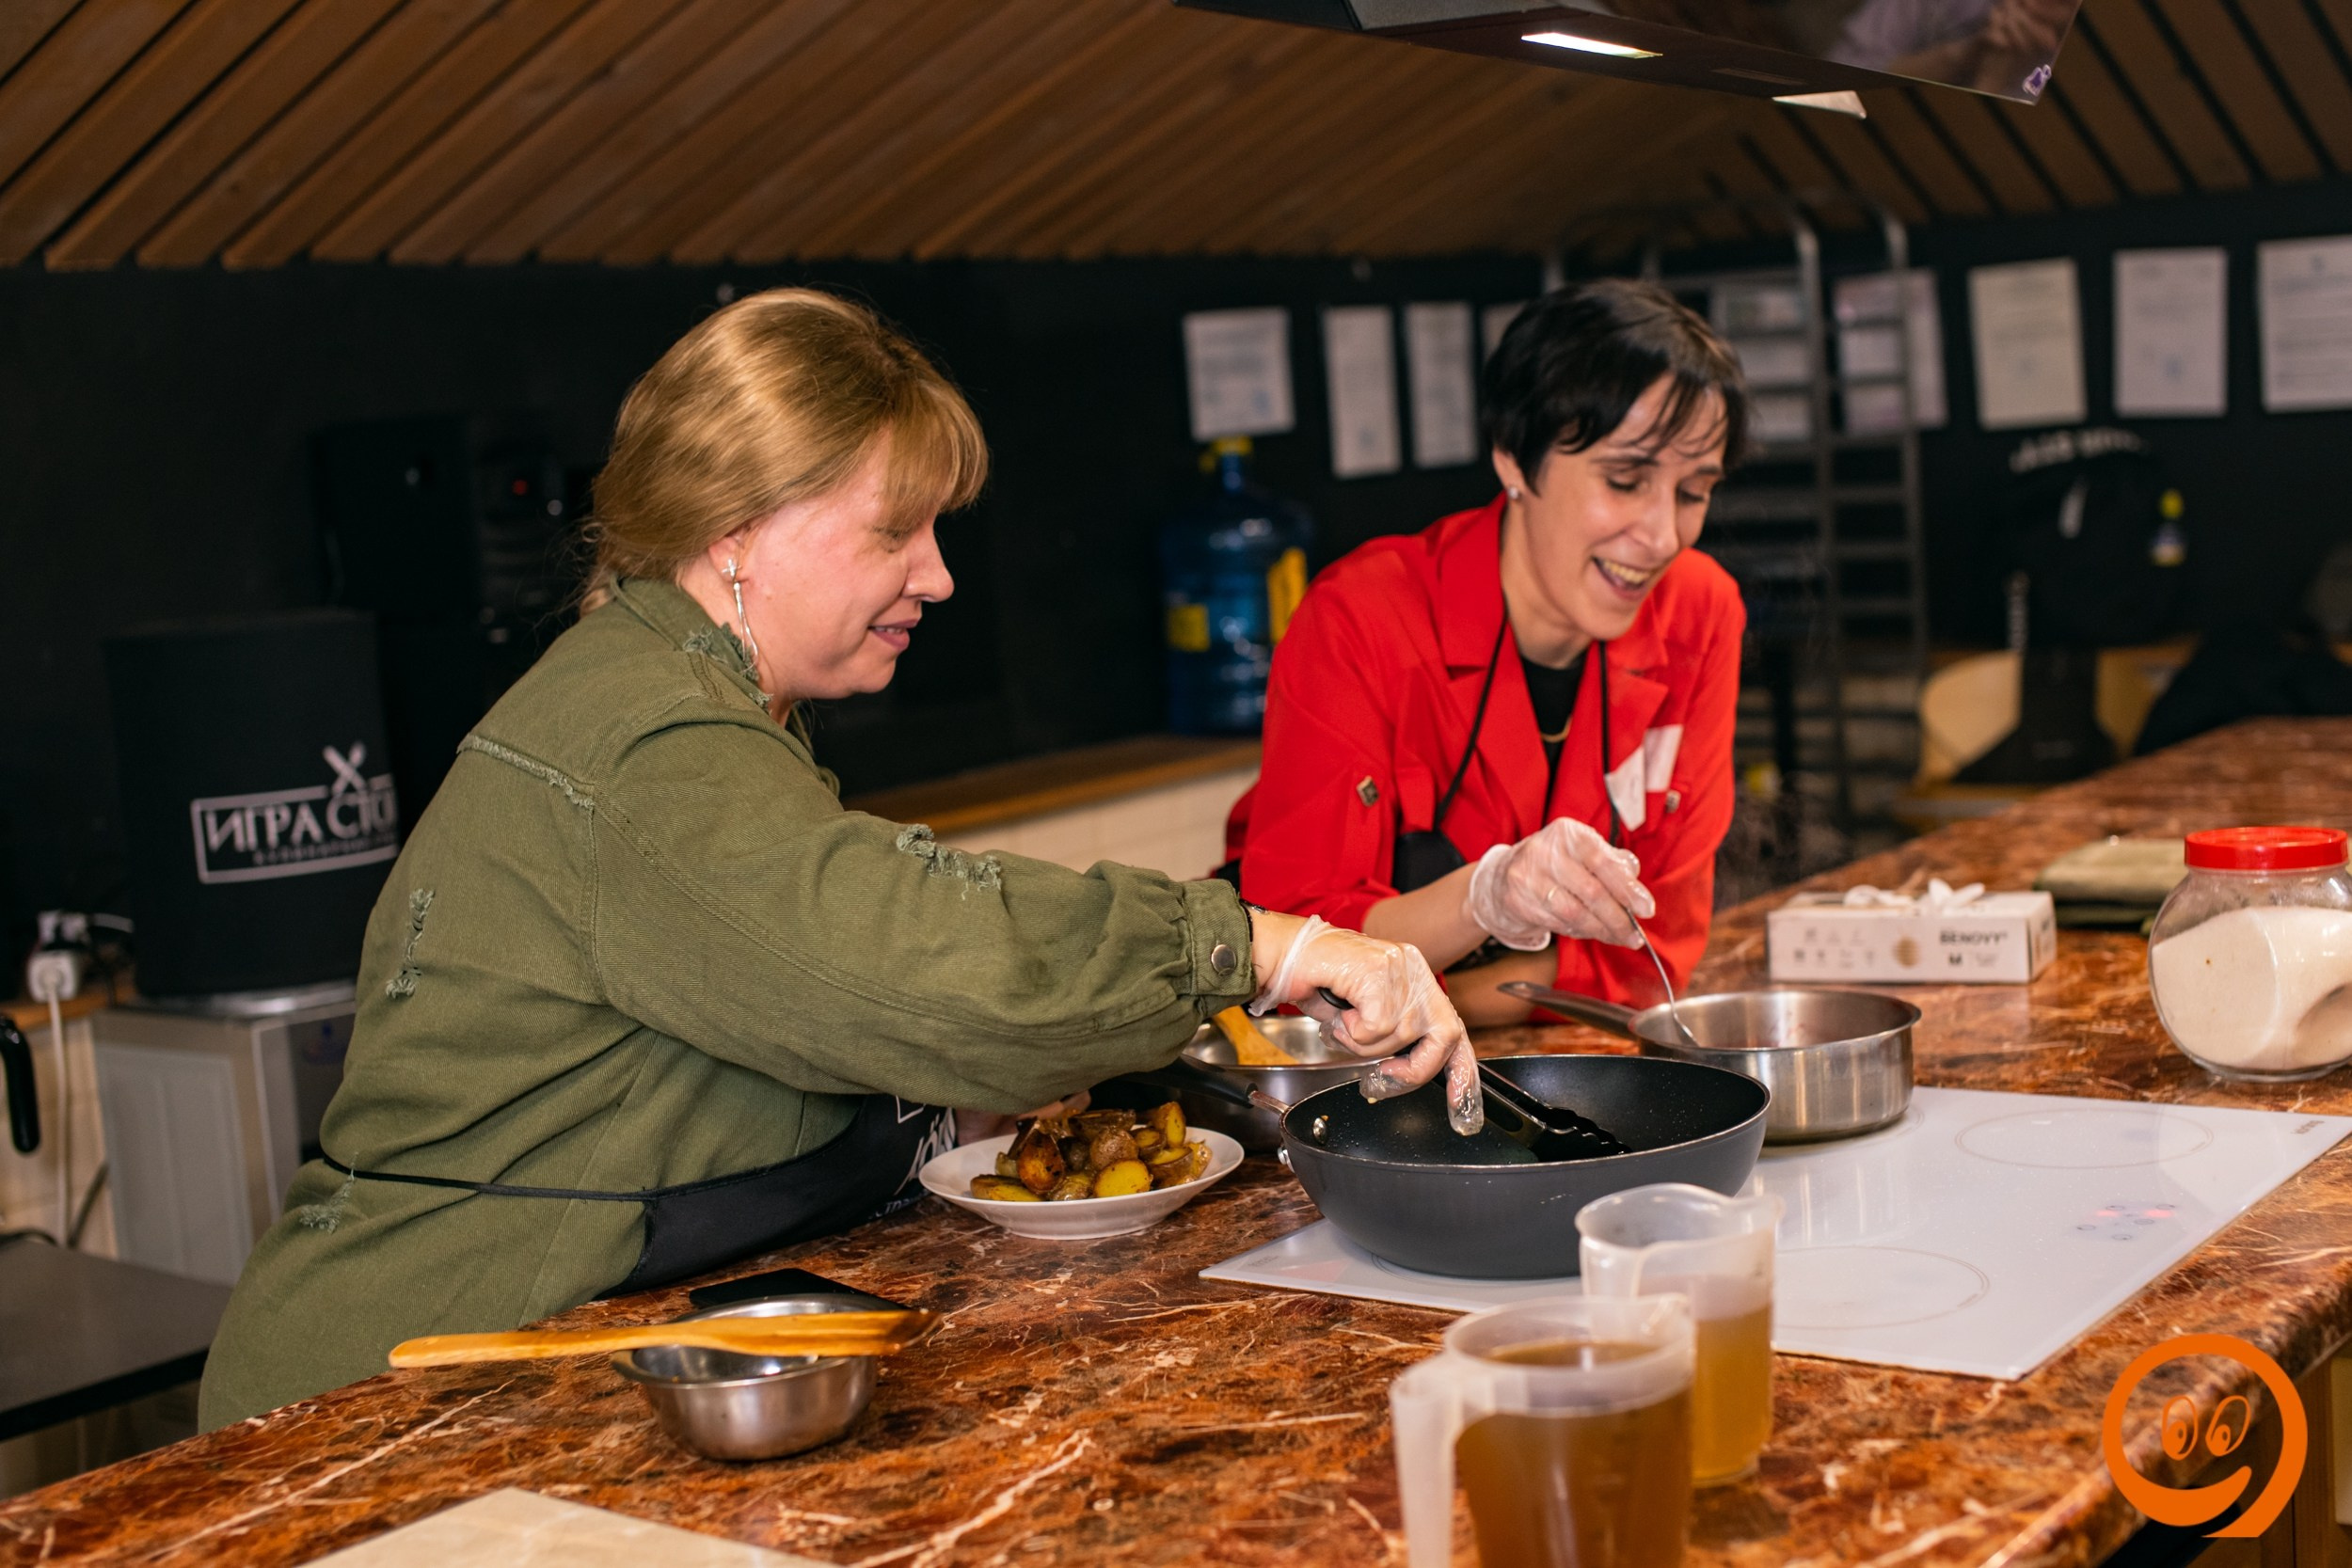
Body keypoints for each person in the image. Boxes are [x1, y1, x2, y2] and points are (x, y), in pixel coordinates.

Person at [199, 290, 1475, 1427]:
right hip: (385, 1398)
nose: (939, 573)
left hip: (518, 1360)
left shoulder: (702, 704)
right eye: (898, 529)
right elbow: (911, 952)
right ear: (738, 525)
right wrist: (1260, 940)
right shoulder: (647, 744)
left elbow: (740, 1035)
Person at [1228, 279, 1748, 1026]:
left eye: (1694, 491)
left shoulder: (1699, 612)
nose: (1663, 535)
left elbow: (1653, 952)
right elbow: (1293, 954)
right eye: (1626, 480)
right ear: (1512, 455)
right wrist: (1486, 896)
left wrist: (1433, 999)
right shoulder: (1361, 621)